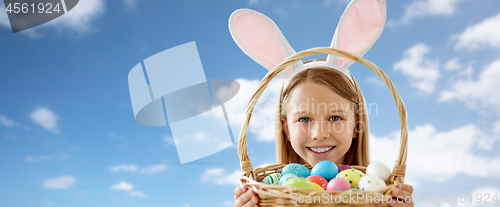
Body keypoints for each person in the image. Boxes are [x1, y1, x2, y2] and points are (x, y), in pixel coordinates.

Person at [228, 0, 414, 206]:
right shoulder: (268, 192)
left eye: (335, 117)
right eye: (304, 118)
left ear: (356, 125)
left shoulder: (379, 191)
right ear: (286, 128)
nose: (319, 133)